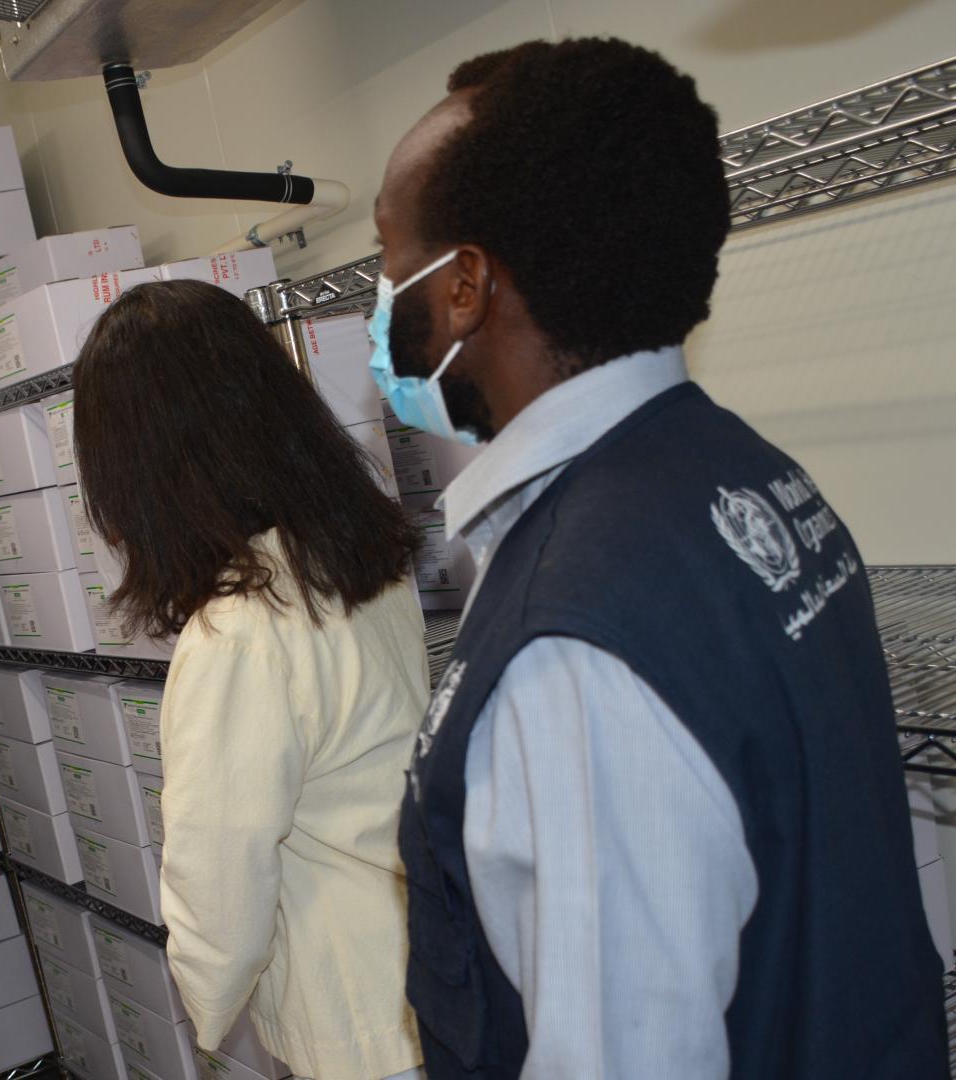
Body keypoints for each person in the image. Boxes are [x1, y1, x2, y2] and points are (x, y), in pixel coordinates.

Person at [378, 38, 946, 1079]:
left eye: (388, 260)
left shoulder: (575, 646)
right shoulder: (746, 474)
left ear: (464, 288)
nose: (382, 302)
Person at [71, 279, 431, 1080]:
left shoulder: (237, 632)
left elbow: (219, 878)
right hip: (425, 958)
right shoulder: (351, 553)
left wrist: (207, 1006)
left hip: (350, 1010)